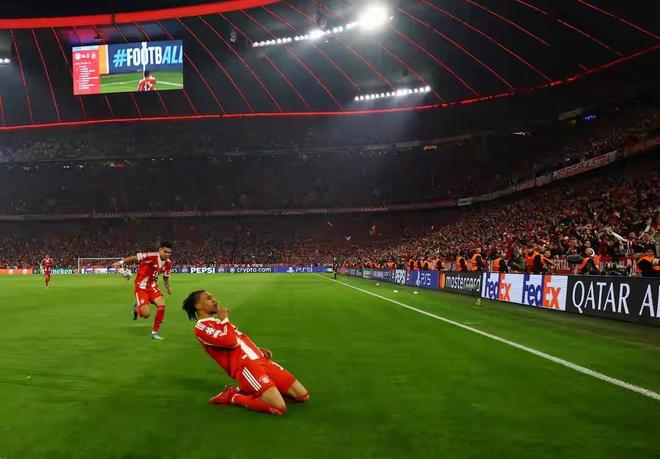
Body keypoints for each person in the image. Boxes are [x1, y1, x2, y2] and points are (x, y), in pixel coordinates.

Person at [182, 290, 309, 416]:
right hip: (246, 367)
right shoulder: (202, 328)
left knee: (302, 396)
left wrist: (257, 350)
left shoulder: (218, 323)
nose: (214, 300)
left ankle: (254, 390)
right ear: (198, 306)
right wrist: (225, 319)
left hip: (261, 360)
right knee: (278, 407)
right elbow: (231, 342)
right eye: (209, 298)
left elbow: (239, 339)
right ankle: (232, 396)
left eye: (213, 297)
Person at [113, 241, 173, 340]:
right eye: (165, 252)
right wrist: (120, 263)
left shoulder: (168, 263)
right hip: (141, 287)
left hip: (152, 287)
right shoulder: (151, 256)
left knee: (162, 305)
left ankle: (154, 333)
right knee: (146, 314)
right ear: (160, 250)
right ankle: (136, 309)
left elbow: (165, 278)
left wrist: (168, 287)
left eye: (169, 253)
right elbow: (134, 258)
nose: (167, 254)